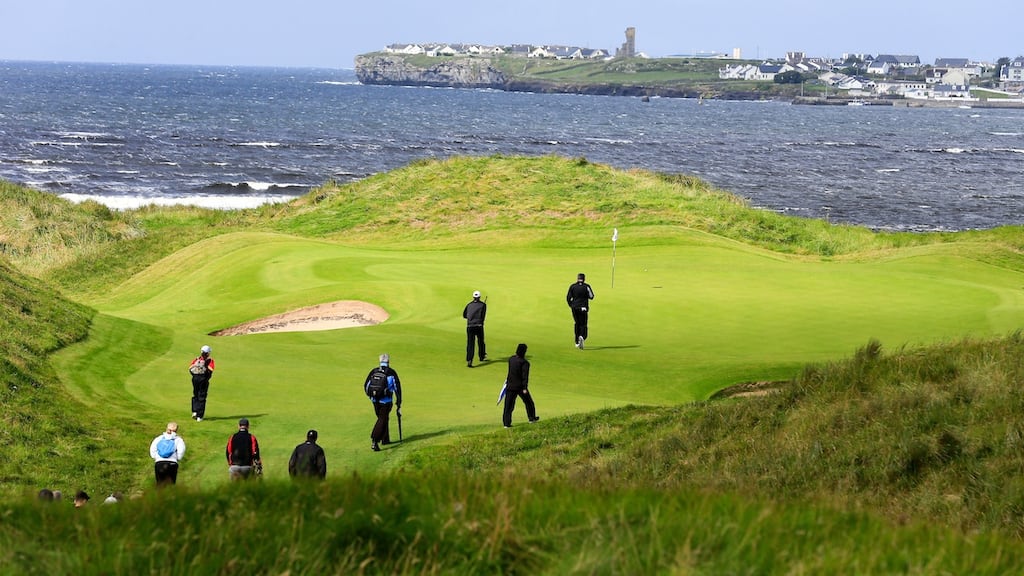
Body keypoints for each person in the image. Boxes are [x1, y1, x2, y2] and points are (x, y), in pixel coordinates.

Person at [364, 353, 402, 452]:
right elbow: (397, 388)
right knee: (382, 419)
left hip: (375, 400)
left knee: (383, 419)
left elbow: (366, 386)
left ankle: (385, 439)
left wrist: (371, 396)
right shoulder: (391, 372)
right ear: (388, 362)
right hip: (386, 401)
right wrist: (399, 402)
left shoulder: (374, 371)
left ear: (380, 361)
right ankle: (375, 440)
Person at [502, 343, 539, 428]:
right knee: (529, 402)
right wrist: (525, 388)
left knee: (508, 406)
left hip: (510, 385)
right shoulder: (525, 363)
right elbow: (525, 376)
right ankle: (531, 418)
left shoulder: (511, 359)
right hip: (520, 387)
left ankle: (506, 423)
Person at [149, 421, 186, 486]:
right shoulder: (178, 439)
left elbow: (152, 449)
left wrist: (156, 457)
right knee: (171, 484)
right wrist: (177, 458)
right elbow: (181, 451)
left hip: (159, 463)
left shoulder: (159, 438)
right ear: (176, 430)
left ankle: (160, 495)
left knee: (160, 484)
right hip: (172, 463)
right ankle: (169, 495)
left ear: (166, 428)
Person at [566, 272, 595, 349]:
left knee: (577, 323)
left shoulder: (573, 286)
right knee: (583, 324)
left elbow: (568, 298)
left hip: (574, 308)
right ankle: (582, 336)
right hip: (583, 308)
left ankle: (576, 341)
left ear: (577, 278)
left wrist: (571, 305)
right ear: (584, 279)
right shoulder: (586, 286)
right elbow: (591, 296)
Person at [188, 345, 215, 421]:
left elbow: (190, 368)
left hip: (195, 378)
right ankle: (199, 416)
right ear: (208, 353)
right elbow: (211, 369)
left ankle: (194, 411)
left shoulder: (197, 359)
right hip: (203, 379)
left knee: (195, 395)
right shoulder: (210, 360)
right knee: (202, 397)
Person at [463, 290, 488, 367]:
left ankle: (469, 360)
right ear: (479, 297)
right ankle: (482, 356)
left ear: (473, 297)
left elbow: (464, 315)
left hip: (470, 326)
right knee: (481, 341)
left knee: (470, 343)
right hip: (479, 326)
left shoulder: (469, 305)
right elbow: (483, 316)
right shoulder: (483, 305)